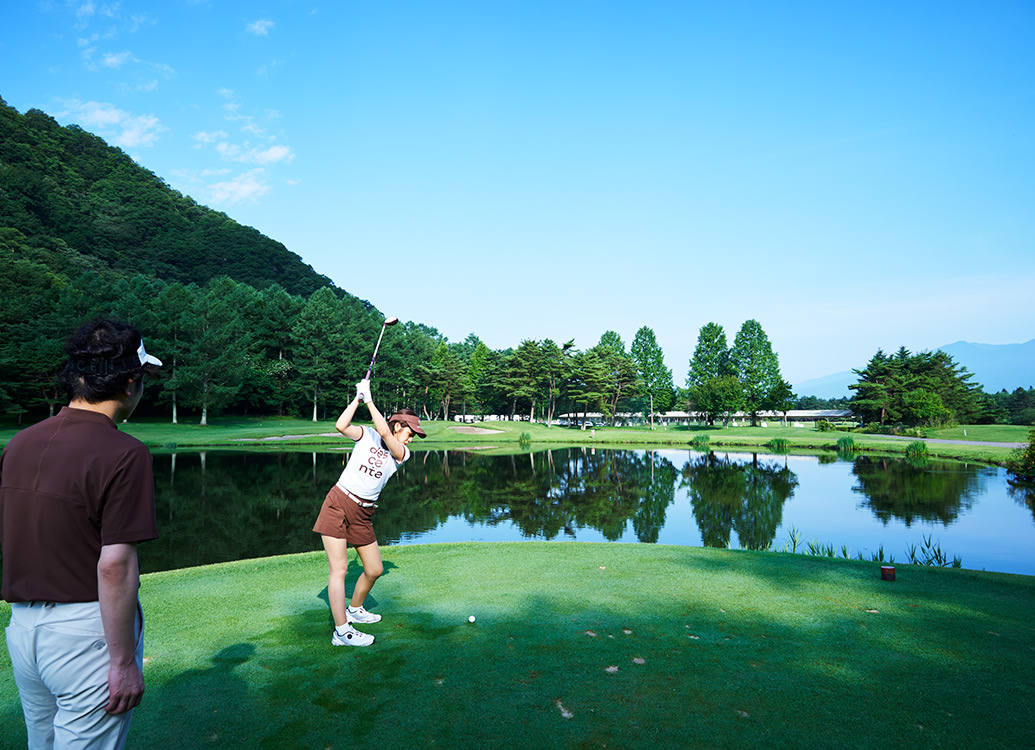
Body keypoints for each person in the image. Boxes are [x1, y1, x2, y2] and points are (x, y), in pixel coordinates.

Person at [1, 318, 162, 750]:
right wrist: (123, 662)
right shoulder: (125, 453)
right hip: (85, 634)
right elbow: (115, 566)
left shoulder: (19, 444)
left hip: (23, 629)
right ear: (130, 383)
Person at [312, 378, 426, 646]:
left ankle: (354, 609)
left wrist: (370, 399)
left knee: (374, 569)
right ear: (399, 425)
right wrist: (358, 399)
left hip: (363, 513)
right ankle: (342, 632)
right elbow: (341, 426)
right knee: (339, 569)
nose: (411, 439)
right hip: (338, 502)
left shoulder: (402, 453)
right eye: (410, 432)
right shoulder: (367, 434)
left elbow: (385, 434)